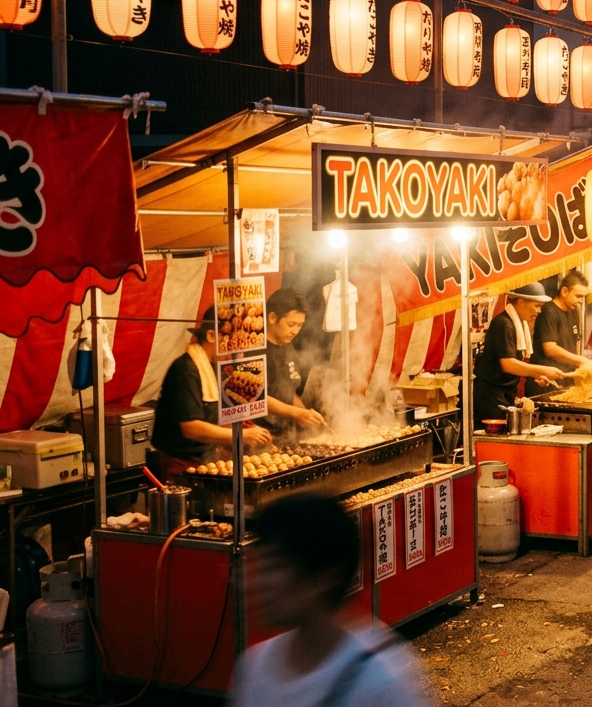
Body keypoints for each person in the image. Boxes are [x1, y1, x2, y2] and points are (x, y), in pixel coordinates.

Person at [231, 494, 431, 707]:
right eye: (261, 565)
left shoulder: (382, 682)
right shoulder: (255, 667)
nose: (257, 581)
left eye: (276, 565)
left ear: (325, 577)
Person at [151, 307, 273, 480]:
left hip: (207, 459)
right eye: (230, 341)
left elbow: (250, 395)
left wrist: (297, 414)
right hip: (179, 463)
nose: (234, 348)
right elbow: (191, 428)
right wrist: (239, 435)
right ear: (211, 336)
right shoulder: (186, 370)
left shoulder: (217, 366)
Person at [472, 284, 569, 428]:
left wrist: (536, 375)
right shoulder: (504, 324)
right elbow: (508, 364)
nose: (539, 311)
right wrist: (541, 370)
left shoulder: (517, 324)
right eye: (536, 306)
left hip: (505, 393)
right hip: (490, 395)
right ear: (521, 301)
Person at [257, 289, 325, 444]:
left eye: (299, 325)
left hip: (288, 437)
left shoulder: (287, 346)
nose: (295, 331)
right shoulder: (255, 351)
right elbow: (254, 398)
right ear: (272, 317)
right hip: (262, 438)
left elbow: (288, 391)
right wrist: (297, 414)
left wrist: (305, 414)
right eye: (291, 324)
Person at [529, 270, 592, 395]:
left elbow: (574, 344)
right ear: (564, 291)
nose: (581, 301)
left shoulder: (573, 311)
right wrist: (581, 360)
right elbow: (550, 349)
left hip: (565, 382)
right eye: (578, 296)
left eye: (583, 297)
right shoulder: (549, 312)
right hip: (546, 383)